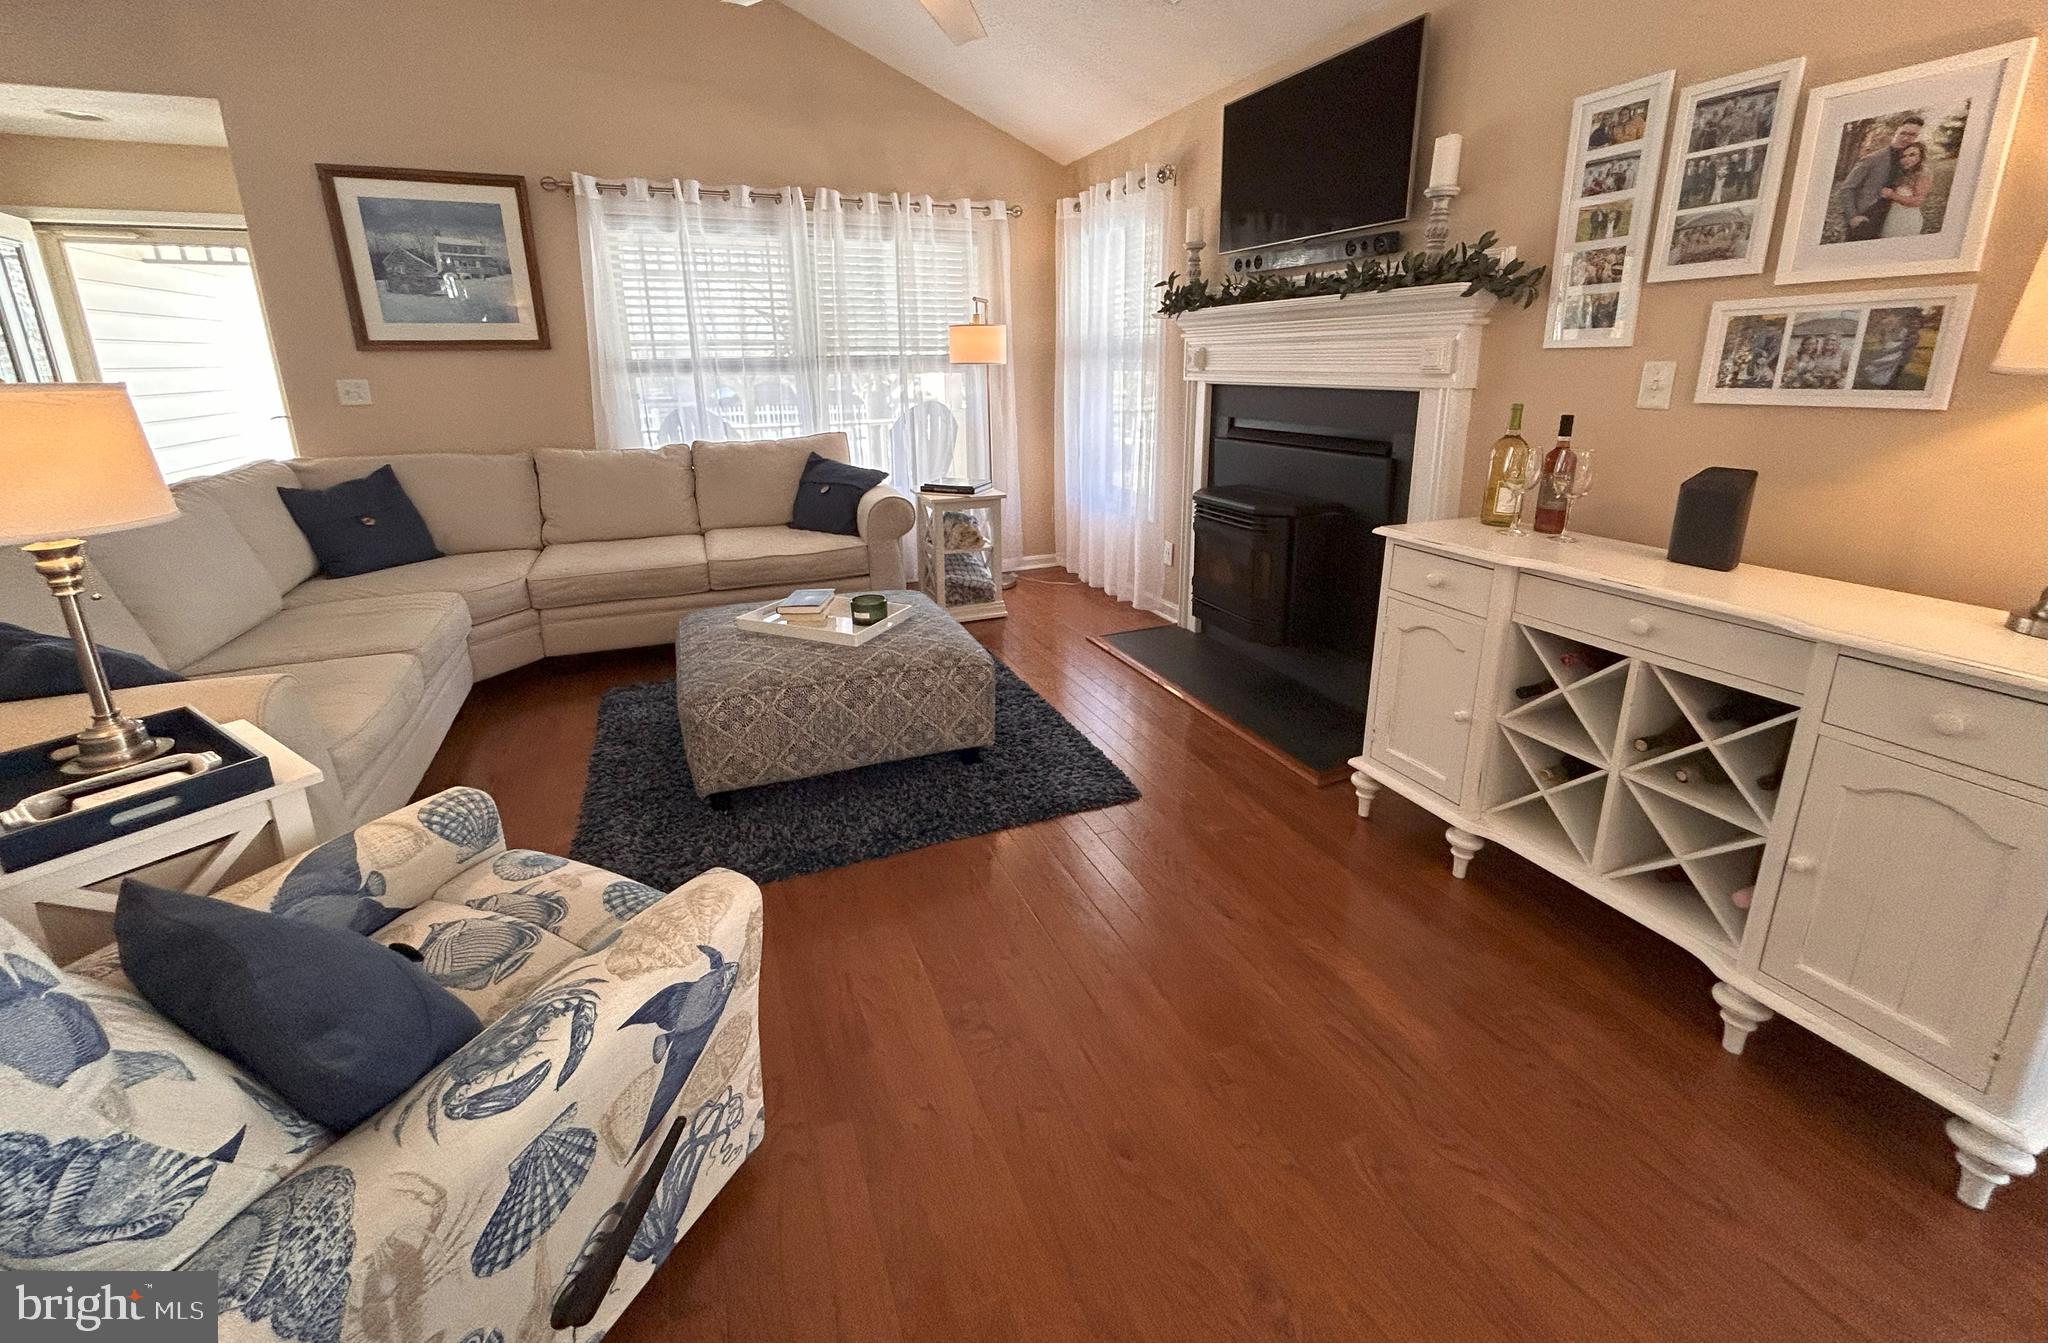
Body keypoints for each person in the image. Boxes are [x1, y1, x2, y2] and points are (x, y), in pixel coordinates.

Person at [1835, 116, 1922, 241]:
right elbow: (1847, 188)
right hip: (1867, 216)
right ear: (1897, 131)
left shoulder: (1911, 161)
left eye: (1913, 135)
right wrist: (1853, 216)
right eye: (1903, 133)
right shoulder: (1873, 158)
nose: (1906, 138)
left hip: (1892, 220)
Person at [1878, 141, 1931, 238]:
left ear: (1921, 157)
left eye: (1912, 155)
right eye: (1904, 156)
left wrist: (1892, 195)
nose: (1907, 159)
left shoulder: (1923, 173)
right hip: (1893, 216)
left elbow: (1918, 201)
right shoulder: (1903, 172)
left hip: (1907, 218)